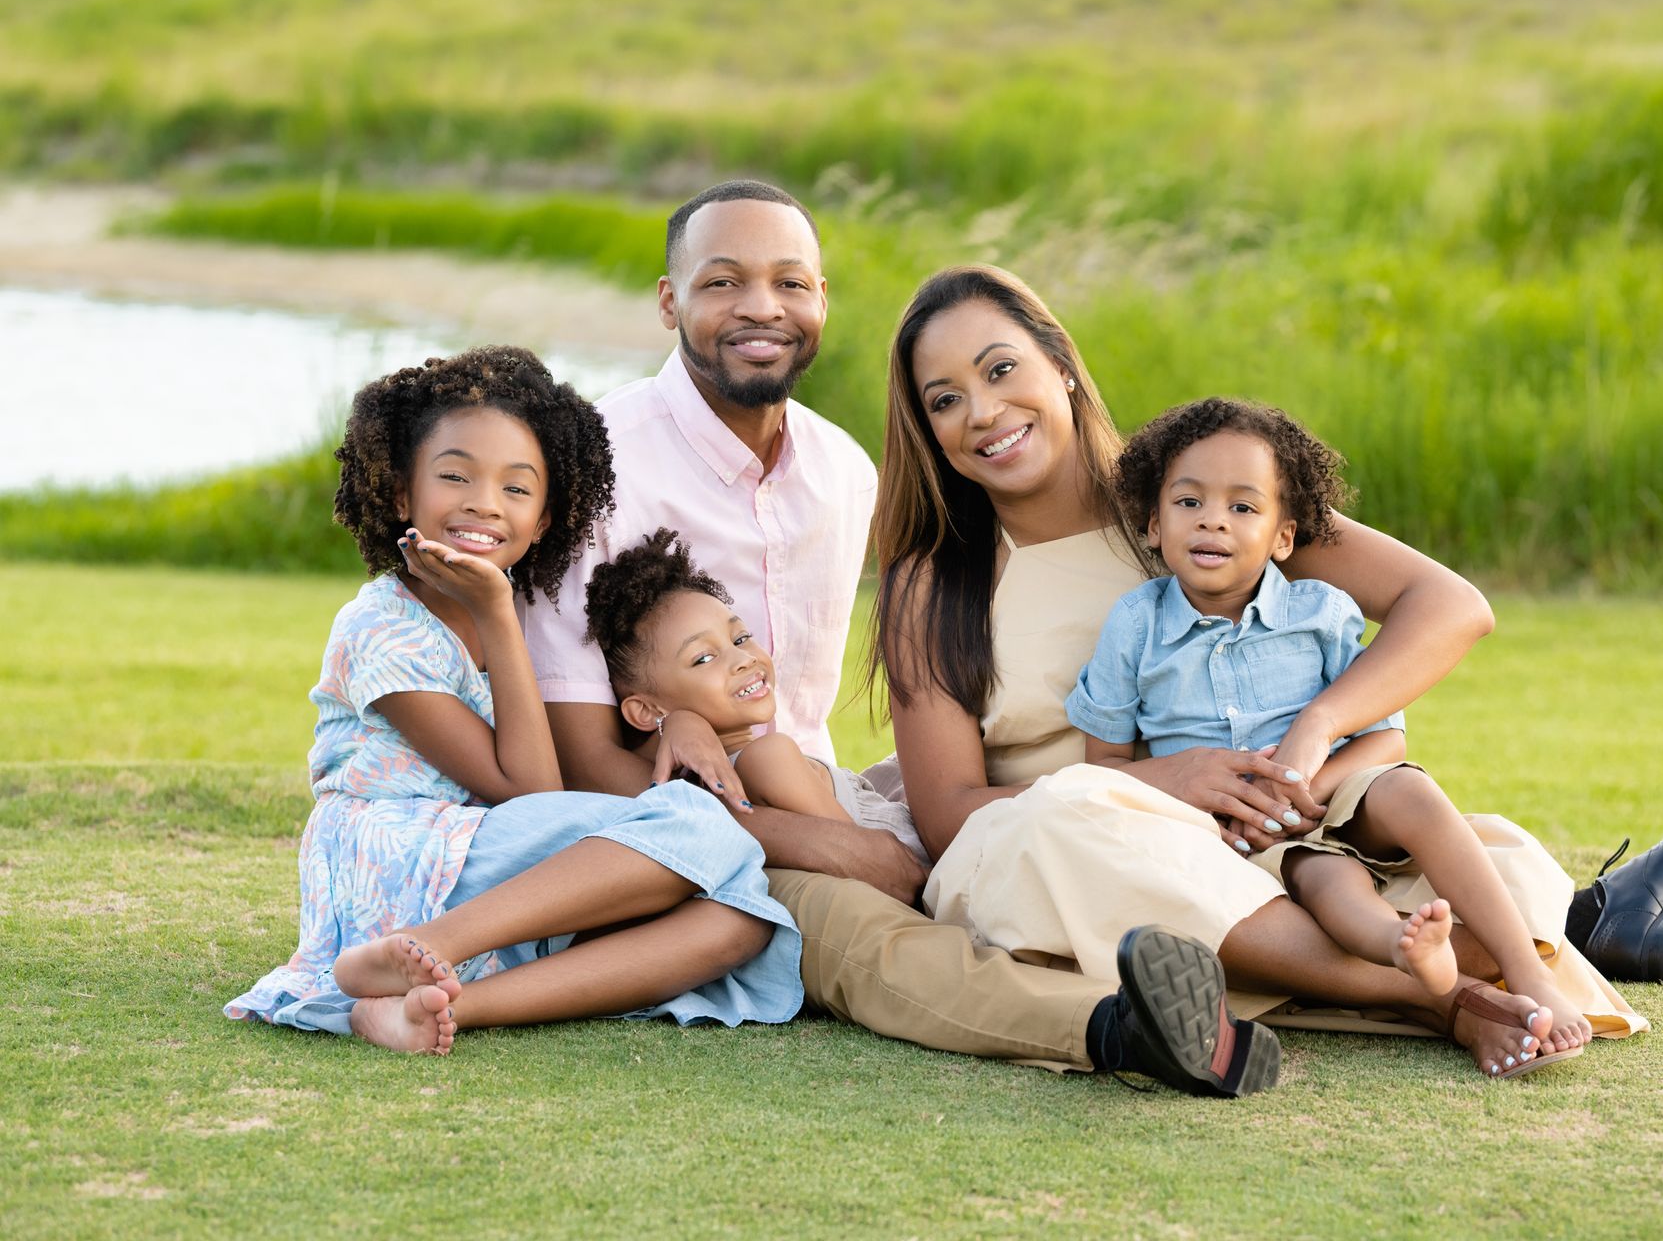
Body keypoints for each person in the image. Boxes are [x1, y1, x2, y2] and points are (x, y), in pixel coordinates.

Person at [522, 180, 1279, 1097]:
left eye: (790, 282)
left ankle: (1296, 964)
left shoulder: (841, 473)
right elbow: (580, 758)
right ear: (669, 299)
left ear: (821, 301)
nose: (762, 307)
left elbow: (798, 726)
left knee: (986, 837)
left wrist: (860, 820)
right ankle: (1121, 1028)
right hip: (673, 826)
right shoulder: (593, 464)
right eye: (723, 282)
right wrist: (825, 844)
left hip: (813, 791)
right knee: (867, 932)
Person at [875, 265, 1663, 1077]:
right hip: (1061, 855)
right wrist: (1166, 781)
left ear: (1062, 366)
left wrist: (1318, 732)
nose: (981, 412)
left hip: (1266, 832)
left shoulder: (1196, 497)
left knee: (1484, 866)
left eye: (1001, 369)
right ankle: (1440, 999)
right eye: (943, 399)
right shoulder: (937, 577)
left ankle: (1461, 957)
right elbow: (948, 817)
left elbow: (1449, 606)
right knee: (1066, 818)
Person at [225, 346, 802, 1054]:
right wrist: (498, 612)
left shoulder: (523, 615)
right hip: (398, 857)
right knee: (701, 825)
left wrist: (678, 715)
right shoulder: (380, 626)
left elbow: (542, 797)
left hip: (489, 873)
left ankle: (437, 1005)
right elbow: (528, 791)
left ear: (546, 518)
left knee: (740, 920)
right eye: (455, 476)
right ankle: (416, 947)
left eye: (517, 489)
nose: (483, 503)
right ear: (403, 494)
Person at [1067, 395, 1593, 1075]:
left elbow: (1384, 741)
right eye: (1189, 502)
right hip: (1246, 836)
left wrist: (1307, 783)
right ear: (1152, 523)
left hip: (1332, 792)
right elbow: (1103, 767)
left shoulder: (1319, 612)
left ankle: (1529, 971)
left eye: (1243, 508)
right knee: (1330, 886)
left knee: (1410, 792)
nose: (1213, 522)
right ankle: (1410, 951)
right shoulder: (1135, 625)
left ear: (1284, 537)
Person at [583, 526, 929, 866]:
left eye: (740, 638)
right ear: (644, 710)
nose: (744, 659)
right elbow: (878, 867)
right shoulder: (768, 756)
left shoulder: (705, 791)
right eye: (703, 658)